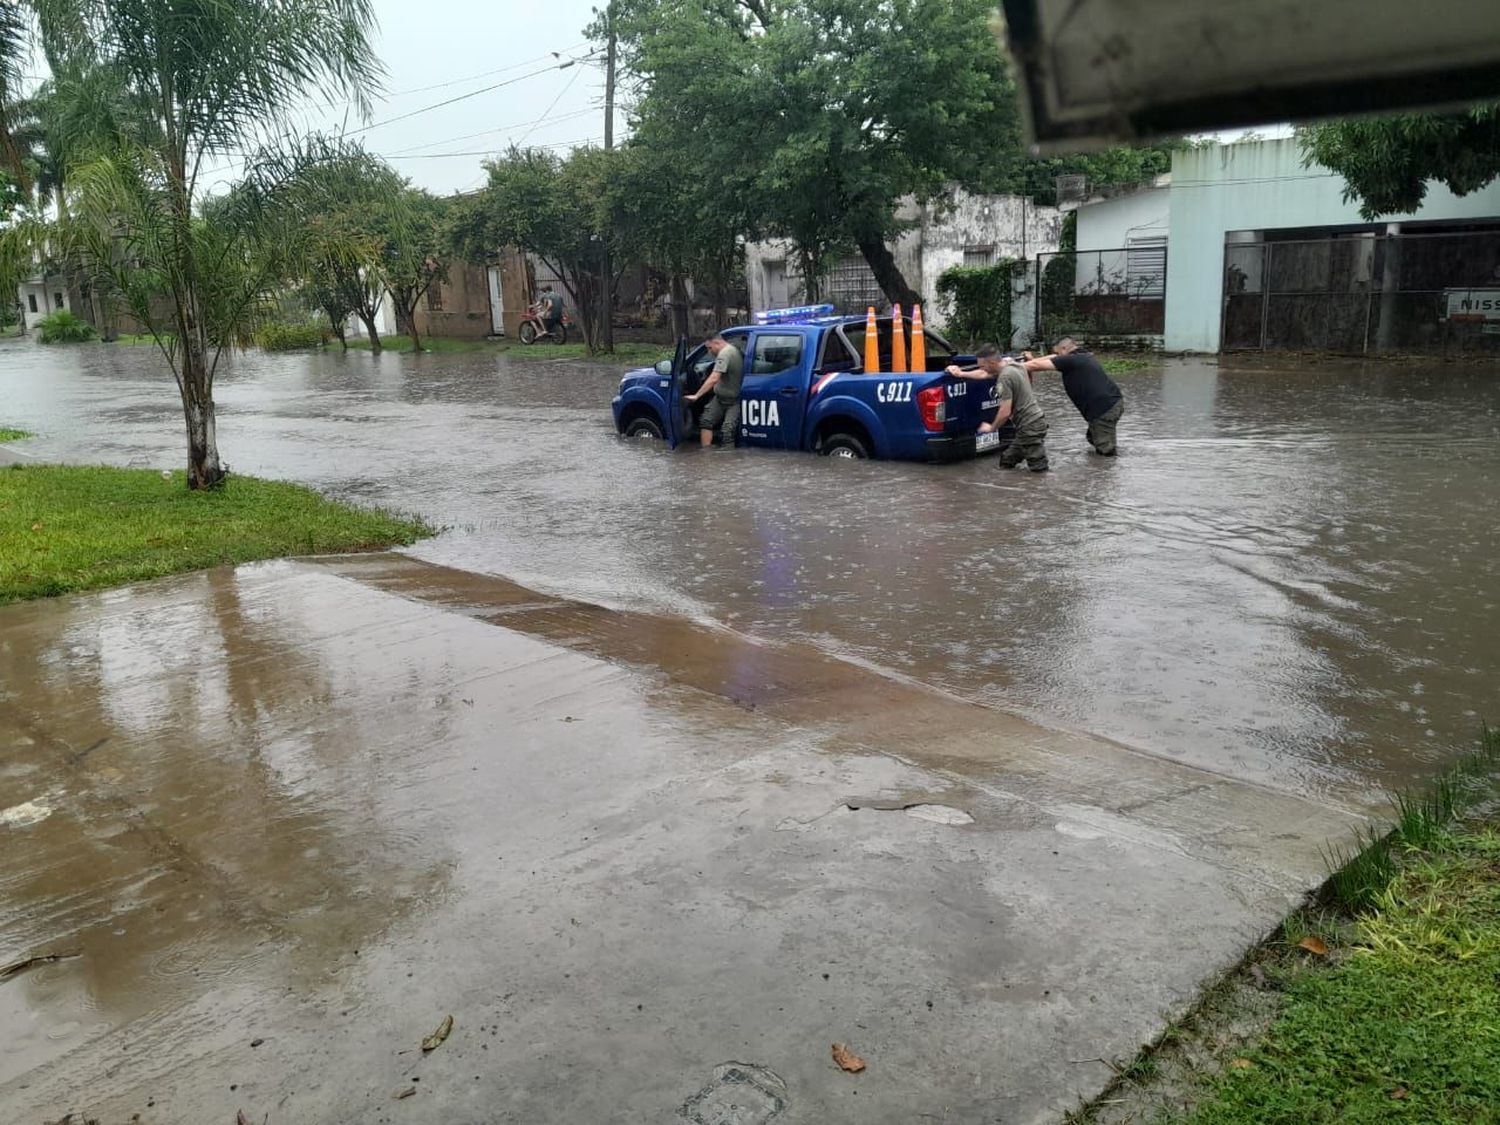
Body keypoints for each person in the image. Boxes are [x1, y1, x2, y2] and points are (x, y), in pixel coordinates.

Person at [945, 343, 1049, 471]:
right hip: (1035, 422)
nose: (982, 369)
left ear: (992, 363)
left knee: (1038, 468)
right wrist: (961, 374)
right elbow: (984, 374)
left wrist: (992, 427)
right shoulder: (1014, 365)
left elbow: (1005, 412)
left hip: (1030, 426)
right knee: (1006, 461)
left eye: (983, 366)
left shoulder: (1004, 378)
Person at [1024, 336, 1124, 456]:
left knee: (1105, 449)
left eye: (1058, 352)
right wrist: (1032, 360)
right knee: (1093, 437)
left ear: (1064, 348)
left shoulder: (1071, 360)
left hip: (1104, 409)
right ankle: (1103, 463)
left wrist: (1007, 366)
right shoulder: (1082, 355)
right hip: (1112, 402)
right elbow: (1053, 358)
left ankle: (1110, 468)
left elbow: (1035, 366)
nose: (1057, 355)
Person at [685, 334, 743, 448]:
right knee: (706, 421)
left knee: (727, 431)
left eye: (709, 348)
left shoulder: (725, 353)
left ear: (717, 343)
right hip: (720, 398)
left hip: (734, 401)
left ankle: (727, 458)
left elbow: (714, 378)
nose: (708, 351)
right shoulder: (733, 349)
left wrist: (697, 395)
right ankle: (707, 456)